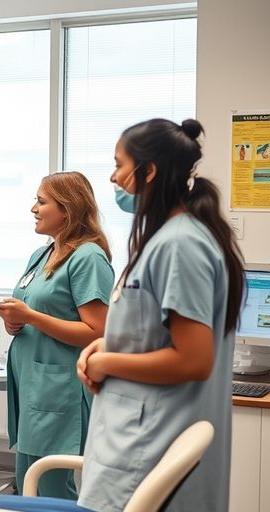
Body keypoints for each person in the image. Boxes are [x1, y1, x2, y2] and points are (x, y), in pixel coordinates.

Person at [76, 118, 245, 511]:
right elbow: (151, 330)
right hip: (132, 440)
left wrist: (105, 362)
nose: (113, 177)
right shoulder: (165, 239)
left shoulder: (180, 244)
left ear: (148, 171)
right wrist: (104, 344)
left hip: (147, 445)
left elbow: (194, 358)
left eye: (119, 164)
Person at [0, 171, 114, 499]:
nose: (33, 208)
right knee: (28, 481)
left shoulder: (88, 257)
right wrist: (14, 322)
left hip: (61, 391)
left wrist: (30, 316)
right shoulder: (43, 254)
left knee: (53, 490)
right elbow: (37, 313)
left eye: (41, 201)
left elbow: (96, 332)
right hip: (34, 387)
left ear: (68, 209)